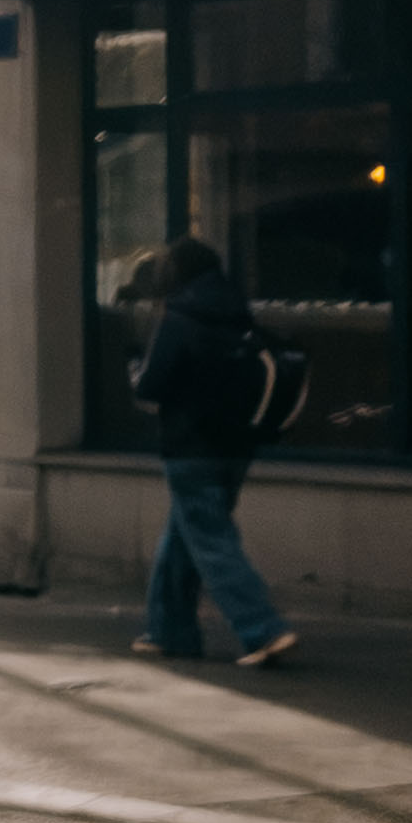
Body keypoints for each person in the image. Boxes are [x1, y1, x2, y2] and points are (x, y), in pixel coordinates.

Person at [128, 234, 298, 666]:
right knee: (182, 538)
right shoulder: (238, 314)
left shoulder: (179, 317)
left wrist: (134, 369)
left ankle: (263, 629)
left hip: (191, 448)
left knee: (211, 541)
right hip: (237, 448)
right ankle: (169, 632)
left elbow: (151, 385)